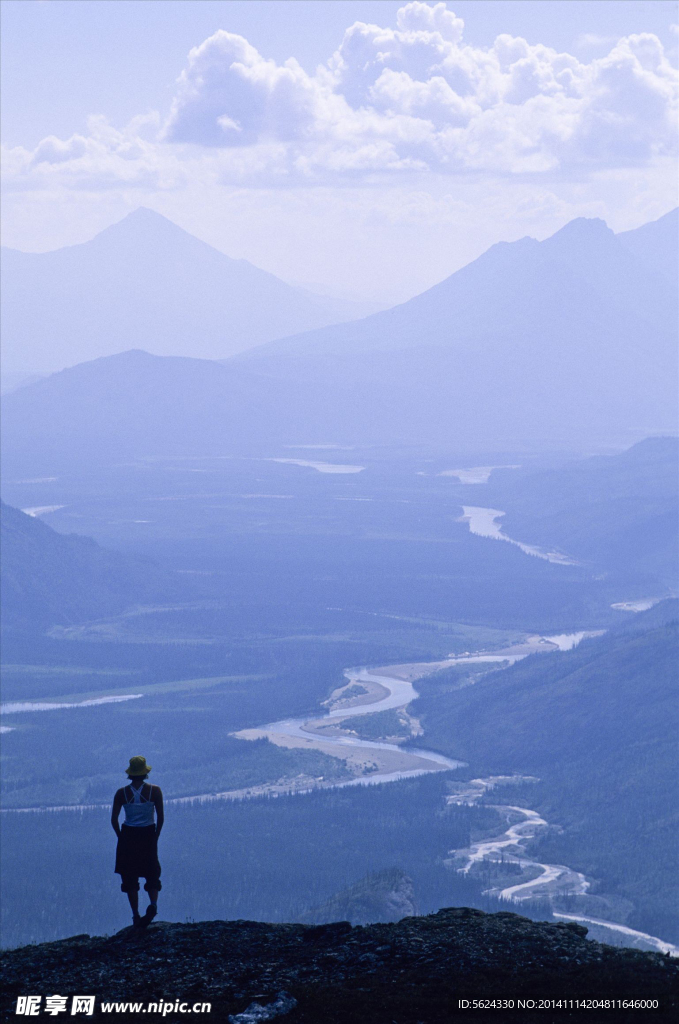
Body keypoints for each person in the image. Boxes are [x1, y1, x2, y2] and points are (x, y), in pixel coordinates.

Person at [111, 755, 164, 929]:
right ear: (145, 772)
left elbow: (114, 819)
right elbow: (161, 817)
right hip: (148, 833)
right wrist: (155, 836)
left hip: (128, 835)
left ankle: (135, 915)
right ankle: (153, 905)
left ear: (131, 773)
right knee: (151, 870)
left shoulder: (121, 793)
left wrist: (121, 837)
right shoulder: (154, 791)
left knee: (129, 875)